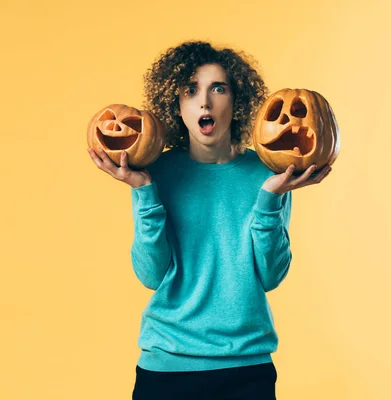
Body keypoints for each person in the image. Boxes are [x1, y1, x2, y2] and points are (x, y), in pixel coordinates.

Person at [87, 41, 332, 400]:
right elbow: (151, 275)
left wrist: (270, 198)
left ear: (238, 101)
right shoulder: (156, 172)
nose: (205, 102)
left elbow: (271, 275)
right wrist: (143, 191)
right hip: (166, 366)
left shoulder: (269, 173)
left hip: (247, 368)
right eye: (191, 90)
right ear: (178, 105)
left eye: (218, 88)